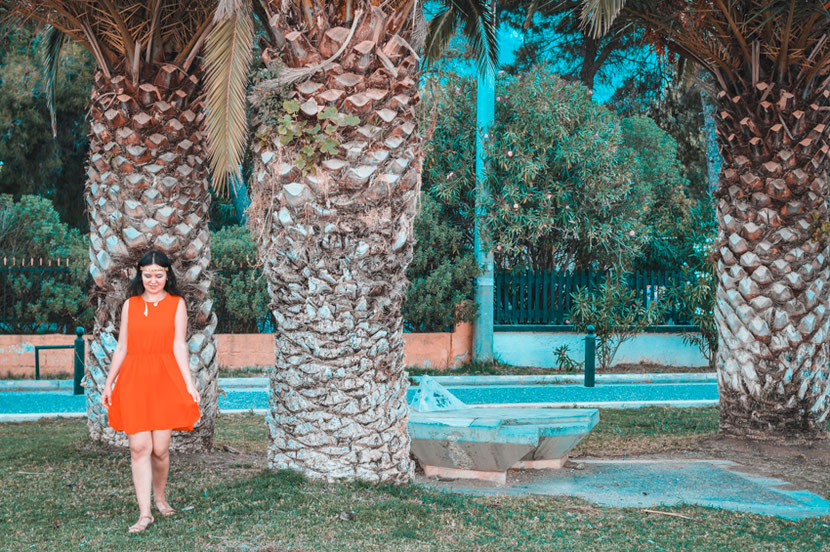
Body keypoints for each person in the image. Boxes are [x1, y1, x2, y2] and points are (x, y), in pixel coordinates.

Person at [100, 249, 201, 533]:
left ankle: (160, 496)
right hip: (134, 378)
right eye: (147, 275)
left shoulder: (176, 304)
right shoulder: (130, 305)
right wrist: (109, 383)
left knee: (160, 449)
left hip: (164, 378)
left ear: (167, 276)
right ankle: (145, 514)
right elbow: (122, 347)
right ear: (140, 276)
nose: (153, 281)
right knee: (139, 447)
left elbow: (179, 346)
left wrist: (189, 384)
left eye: (158, 275)